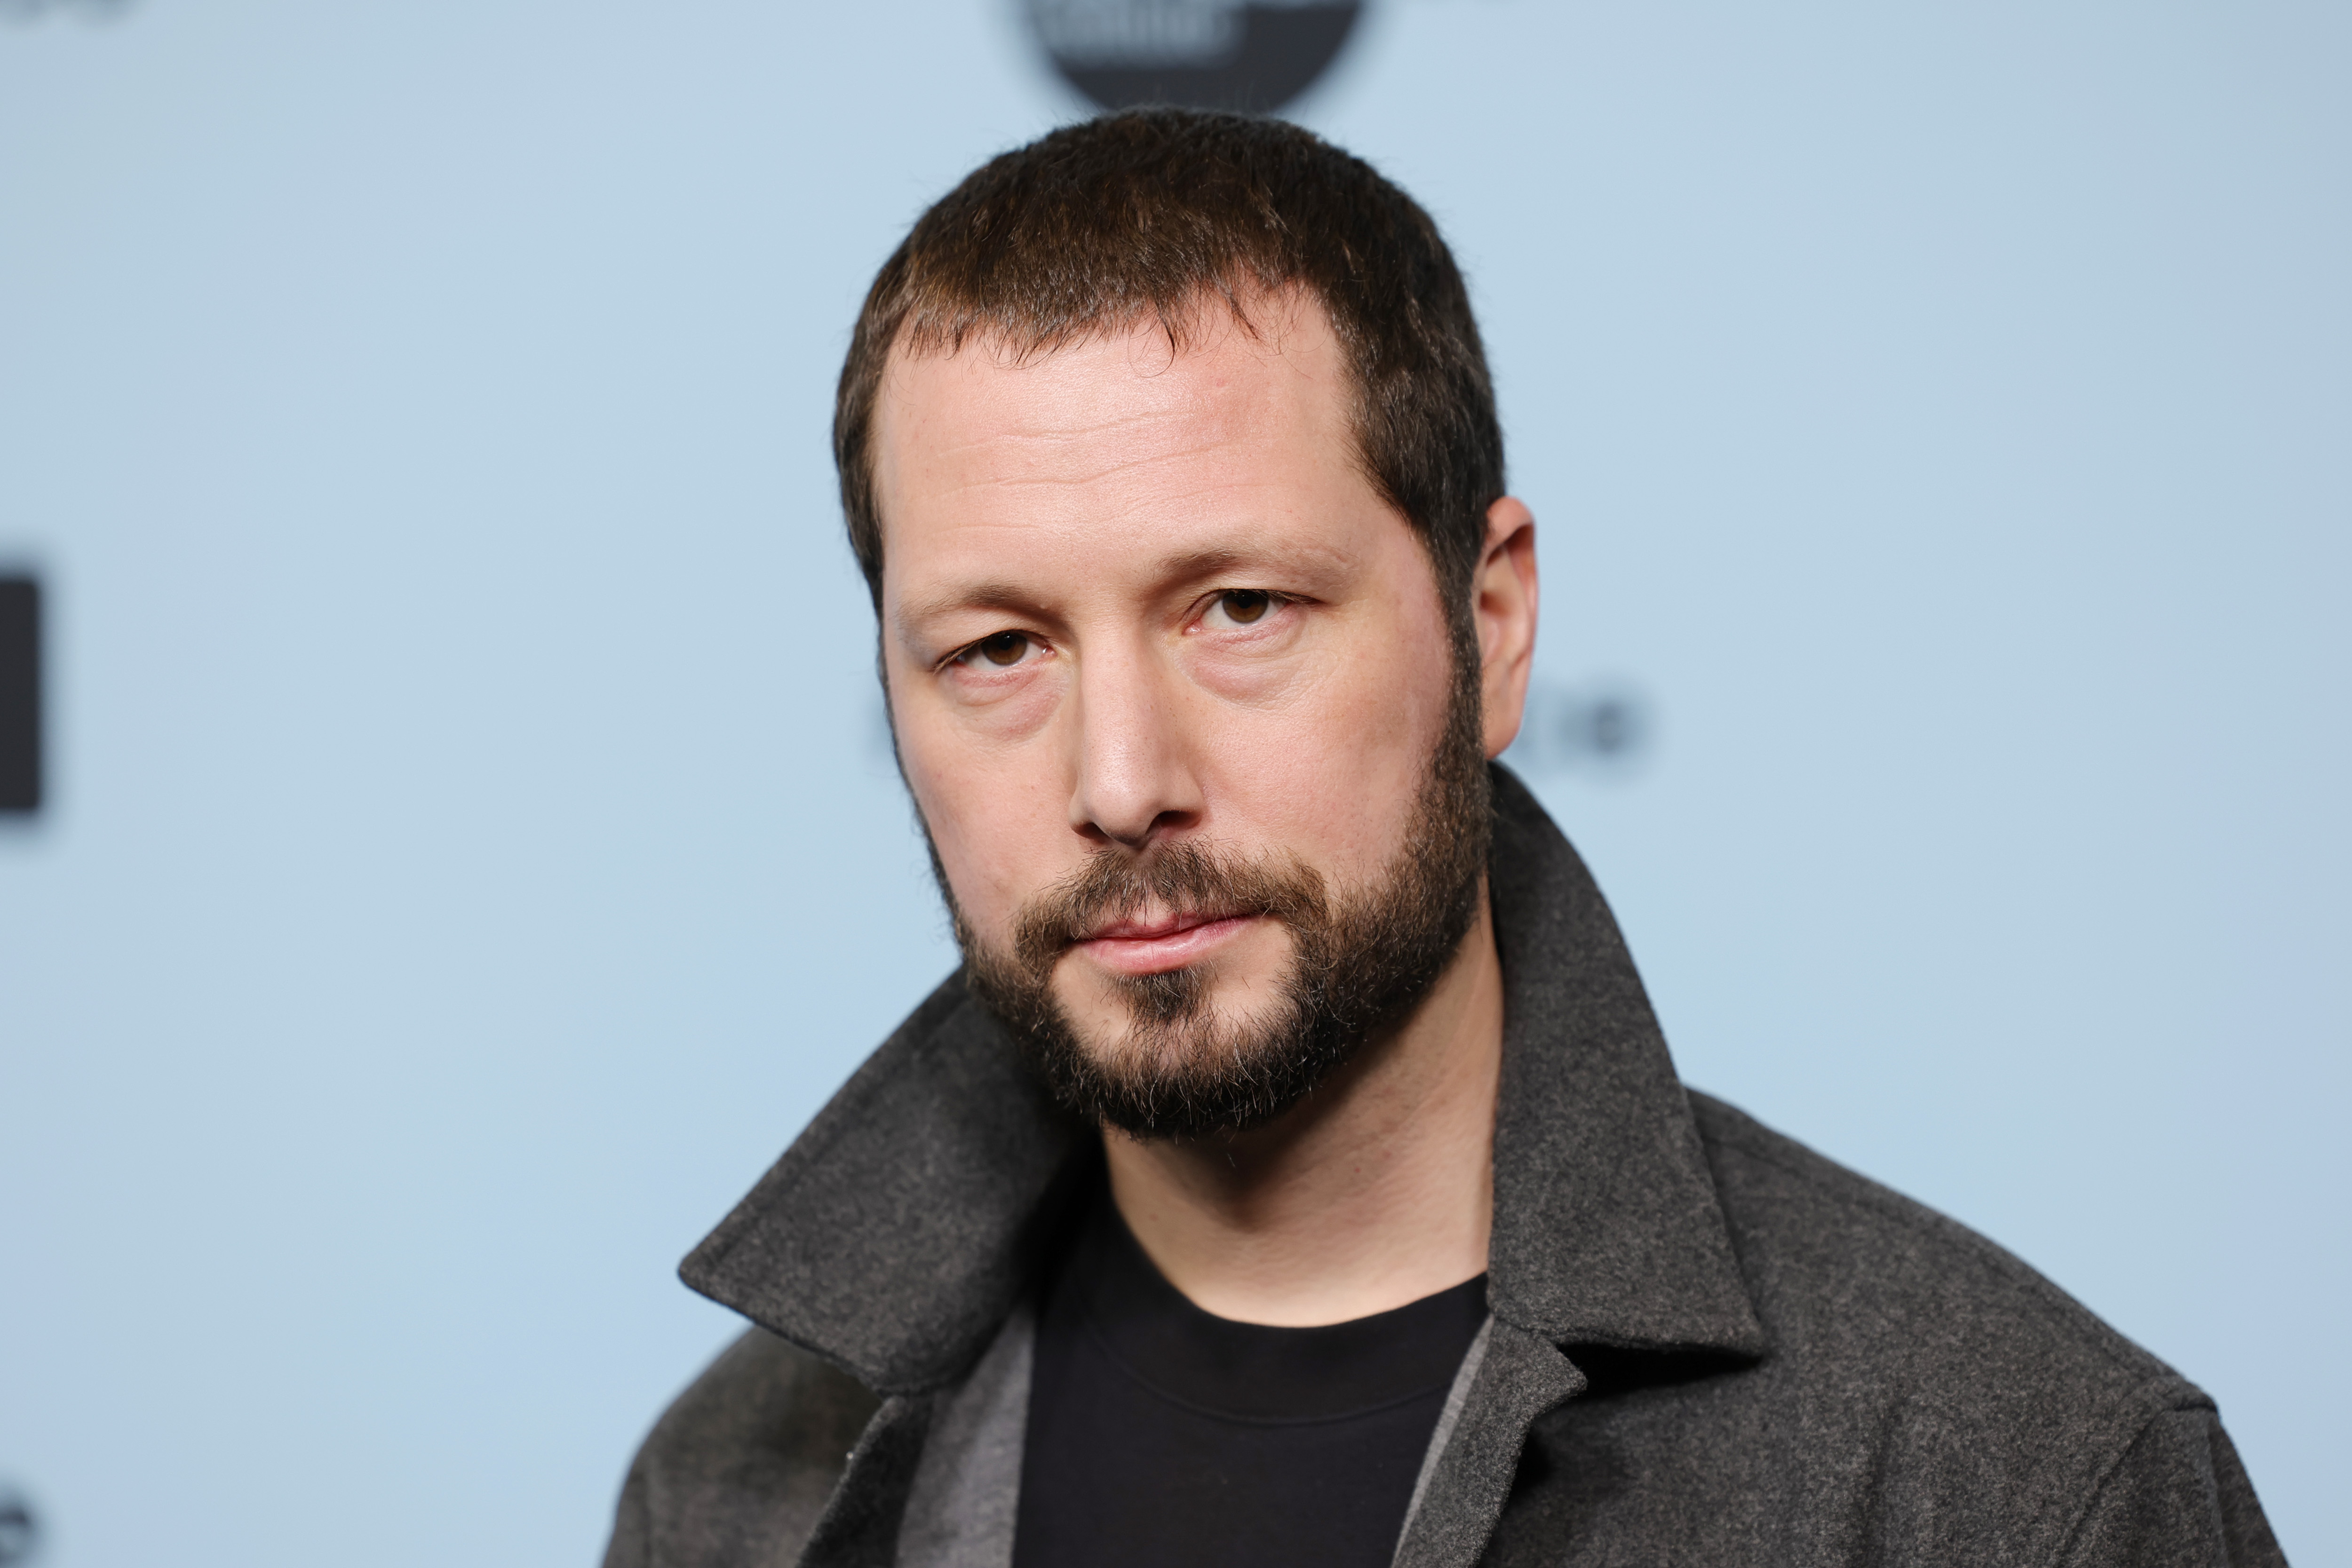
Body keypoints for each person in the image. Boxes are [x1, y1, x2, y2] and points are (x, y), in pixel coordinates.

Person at [602, 109, 2281, 1568]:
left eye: (1240, 608)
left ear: (1493, 624)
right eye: (997, 649)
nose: (1119, 779)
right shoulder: (741, 1481)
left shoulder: (2010, 1485)